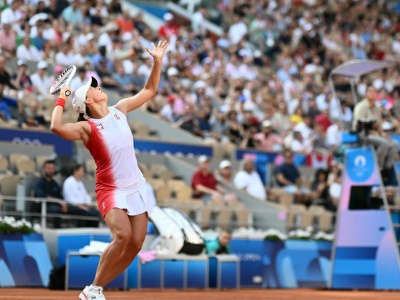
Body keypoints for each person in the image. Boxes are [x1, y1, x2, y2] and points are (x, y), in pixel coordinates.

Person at [50, 40, 169, 300]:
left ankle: (95, 289)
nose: (98, 86)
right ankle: (92, 288)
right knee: (122, 236)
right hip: (110, 189)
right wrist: (62, 98)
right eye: (93, 88)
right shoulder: (87, 128)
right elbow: (56, 128)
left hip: (136, 185)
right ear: (88, 102)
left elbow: (149, 90)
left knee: (136, 244)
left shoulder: (120, 110)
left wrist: (157, 61)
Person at [33, 160, 96, 228]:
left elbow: (60, 196)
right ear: (44, 169)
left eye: (52, 169)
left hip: (59, 205)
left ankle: (86, 231)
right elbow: (42, 195)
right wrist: (60, 202)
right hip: (45, 206)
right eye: (48, 168)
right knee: (56, 210)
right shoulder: (39, 183)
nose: (50, 170)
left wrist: (64, 204)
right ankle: (56, 229)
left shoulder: (54, 184)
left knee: (86, 212)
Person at [352, 86, 398, 176]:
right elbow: (359, 125)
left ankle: (387, 169)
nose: (372, 93)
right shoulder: (361, 107)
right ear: (366, 93)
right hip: (363, 134)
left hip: (376, 134)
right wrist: (376, 133)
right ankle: (378, 167)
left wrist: (383, 134)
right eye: (370, 91)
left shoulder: (377, 108)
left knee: (394, 144)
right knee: (384, 143)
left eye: (374, 92)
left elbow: (379, 125)